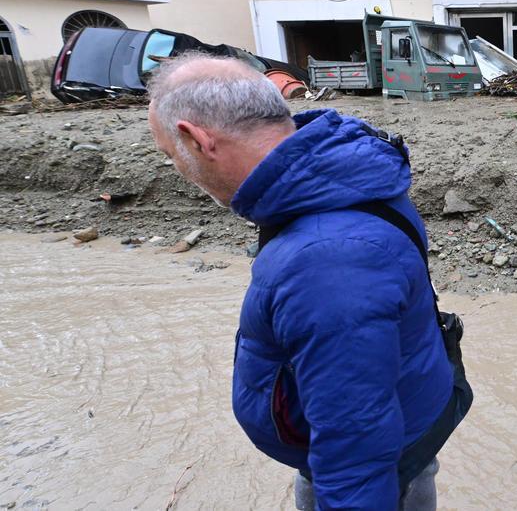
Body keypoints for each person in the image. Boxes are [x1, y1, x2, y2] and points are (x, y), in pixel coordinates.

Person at [146, 53, 470, 510]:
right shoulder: (337, 173)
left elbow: (356, 450)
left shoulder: (324, 259)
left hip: (376, 466)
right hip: (407, 417)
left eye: (169, 155)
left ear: (196, 139)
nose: (176, 168)